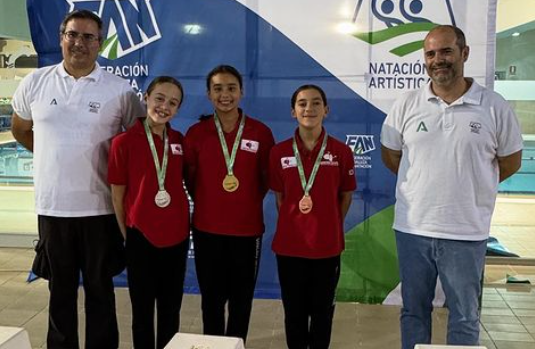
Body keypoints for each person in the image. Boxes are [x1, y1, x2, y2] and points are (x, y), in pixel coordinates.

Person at [381, 25, 523, 349]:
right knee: (414, 312)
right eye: (430, 54)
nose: (438, 60)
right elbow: (392, 156)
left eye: (446, 51)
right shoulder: (407, 104)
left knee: (464, 315)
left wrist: (470, 183)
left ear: (464, 53)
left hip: (466, 232)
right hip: (413, 229)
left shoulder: (494, 106)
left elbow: (510, 161)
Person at [10, 9, 144, 349]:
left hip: (100, 209)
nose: (79, 43)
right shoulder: (35, 82)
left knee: (101, 292)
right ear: (61, 38)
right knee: (60, 294)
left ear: (100, 44)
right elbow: (21, 129)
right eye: (72, 35)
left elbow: (136, 142)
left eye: (88, 37)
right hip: (53, 209)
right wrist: (51, 159)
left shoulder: (119, 90)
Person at [184, 65, 275, 341]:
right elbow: (190, 178)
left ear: (242, 92)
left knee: (241, 300)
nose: (225, 94)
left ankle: (236, 346)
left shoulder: (260, 133)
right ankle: (213, 345)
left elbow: (265, 180)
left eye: (231, 88)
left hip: (247, 232)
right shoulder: (196, 133)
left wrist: (241, 204)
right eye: (218, 89)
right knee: (210, 300)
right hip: (206, 229)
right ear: (209, 94)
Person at [269, 84, 356, 349]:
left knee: (322, 314)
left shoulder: (342, 152)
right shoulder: (279, 152)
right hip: (290, 247)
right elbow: (280, 199)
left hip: (327, 247)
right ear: (293, 112)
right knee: (294, 313)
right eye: (302, 103)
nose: (309, 108)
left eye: (316, 103)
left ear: (326, 110)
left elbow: (345, 197)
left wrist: (326, 225)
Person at [108, 76, 190, 349]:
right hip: (140, 237)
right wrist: (127, 235)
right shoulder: (123, 142)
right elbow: (117, 195)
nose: (164, 106)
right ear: (146, 97)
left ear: (177, 109)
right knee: (142, 313)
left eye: (172, 102)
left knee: (171, 311)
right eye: (159, 98)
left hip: (177, 238)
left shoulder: (179, 141)